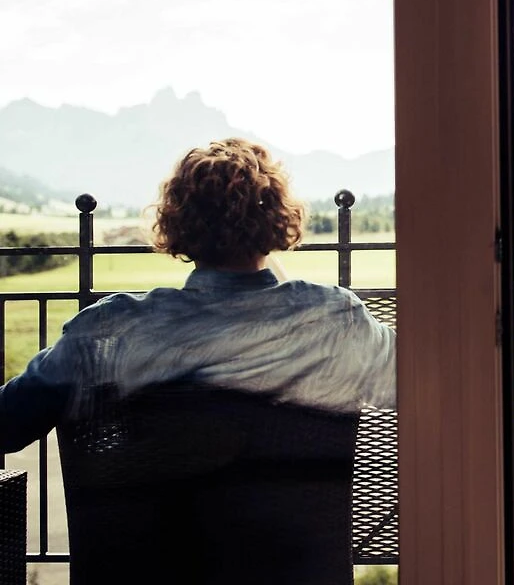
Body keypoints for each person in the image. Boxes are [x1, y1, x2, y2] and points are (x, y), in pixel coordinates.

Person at [0, 138, 396, 581]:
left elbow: (7, 422)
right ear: (277, 217)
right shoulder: (336, 322)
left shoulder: (105, 333)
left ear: (177, 222)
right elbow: (426, 388)